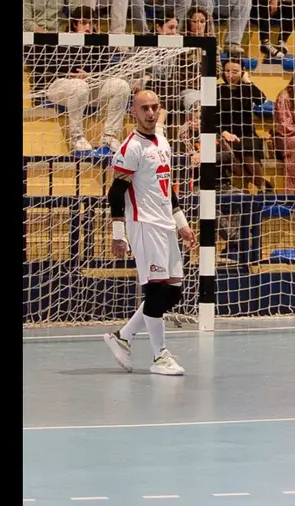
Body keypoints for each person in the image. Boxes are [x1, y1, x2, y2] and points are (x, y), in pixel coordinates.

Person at [103, 90, 197, 376]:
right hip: (144, 224)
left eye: (155, 107)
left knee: (174, 291)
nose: (150, 113)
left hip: (166, 225)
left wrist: (181, 223)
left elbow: (168, 191)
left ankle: (123, 336)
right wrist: (118, 233)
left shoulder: (163, 141)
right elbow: (116, 193)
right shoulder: (131, 147)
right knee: (155, 288)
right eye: (144, 108)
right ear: (134, 111)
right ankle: (159, 356)